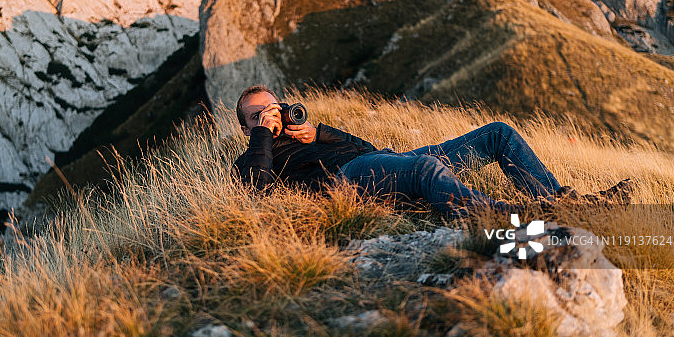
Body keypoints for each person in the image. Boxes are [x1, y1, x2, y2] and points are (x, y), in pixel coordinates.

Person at [232, 85, 632, 218]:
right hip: (349, 181)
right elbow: (258, 190)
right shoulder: (251, 156)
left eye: (274, 107)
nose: (269, 116)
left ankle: (563, 204)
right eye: (256, 114)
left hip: (382, 160)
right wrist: (263, 136)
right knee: (426, 168)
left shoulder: (308, 134)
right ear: (245, 125)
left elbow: (367, 148)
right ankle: (506, 219)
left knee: (498, 134)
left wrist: (319, 132)